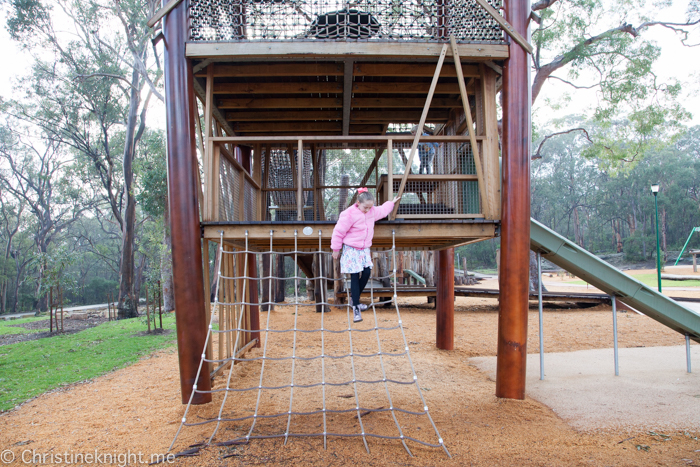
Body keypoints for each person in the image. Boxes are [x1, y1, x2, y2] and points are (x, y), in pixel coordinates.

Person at [331, 188, 401, 323]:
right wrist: (336, 248)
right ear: (358, 203)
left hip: (364, 249)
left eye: (370, 207)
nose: (368, 210)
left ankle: (353, 299)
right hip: (351, 248)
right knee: (355, 275)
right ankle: (356, 308)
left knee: (367, 272)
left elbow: (383, 210)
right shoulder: (349, 214)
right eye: (365, 207)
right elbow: (338, 231)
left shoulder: (372, 211)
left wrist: (391, 203)